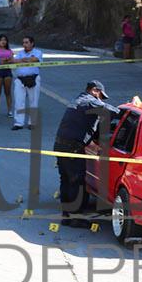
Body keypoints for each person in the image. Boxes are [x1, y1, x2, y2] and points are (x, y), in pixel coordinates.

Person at [54, 81, 119, 227]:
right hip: (72, 148)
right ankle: (76, 218)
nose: (100, 100)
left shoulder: (78, 100)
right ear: (95, 91)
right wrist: (128, 109)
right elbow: (112, 111)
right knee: (76, 182)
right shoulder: (89, 101)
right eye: (101, 96)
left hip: (60, 145)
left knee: (66, 180)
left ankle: (67, 216)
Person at [11, 35, 42, 131]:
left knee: (33, 101)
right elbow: (13, 61)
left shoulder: (38, 52)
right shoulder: (20, 53)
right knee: (19, 101)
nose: (24, 44)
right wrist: (24, 60)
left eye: (27, 42)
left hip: (33, 78)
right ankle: (18, 123)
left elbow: (35, 59)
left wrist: (22, 60)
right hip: (20, 79)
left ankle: (32, 123)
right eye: (23, 43)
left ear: (32, 43)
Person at [0, 34, 14, 119]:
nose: (3, 41)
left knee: (8, 92)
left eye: (5, 40)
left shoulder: (9, 50)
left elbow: (12, 61)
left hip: (7, 72)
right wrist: (5, 60)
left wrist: (4, 60)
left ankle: (9, 110)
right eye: (1, 40)